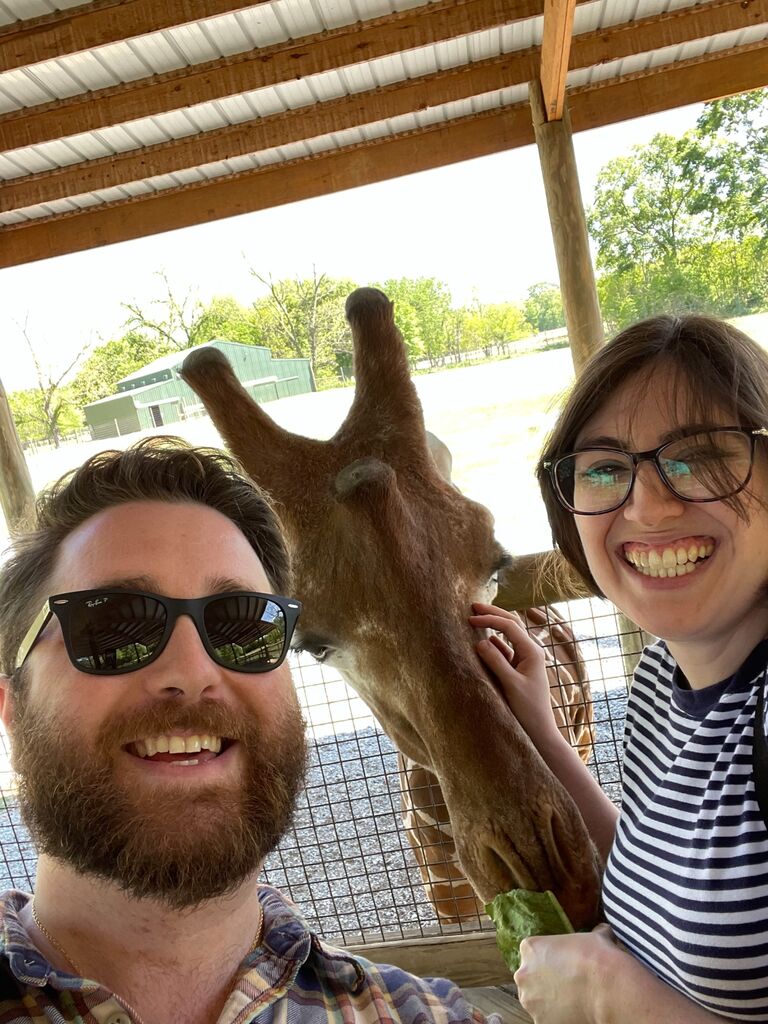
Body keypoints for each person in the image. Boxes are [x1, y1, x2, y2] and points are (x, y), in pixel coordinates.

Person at [0, 437, 496, 1024]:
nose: (191, 673)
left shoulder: (421, 1016)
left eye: (243, 626)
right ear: (12, 710)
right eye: (111, 626)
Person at [471, 314, 768, 1024]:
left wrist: (612, 998)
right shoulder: (661, 679)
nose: (649, 504)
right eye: (605, 468)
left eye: (700, 455)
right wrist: (541, 733)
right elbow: (661, 855)